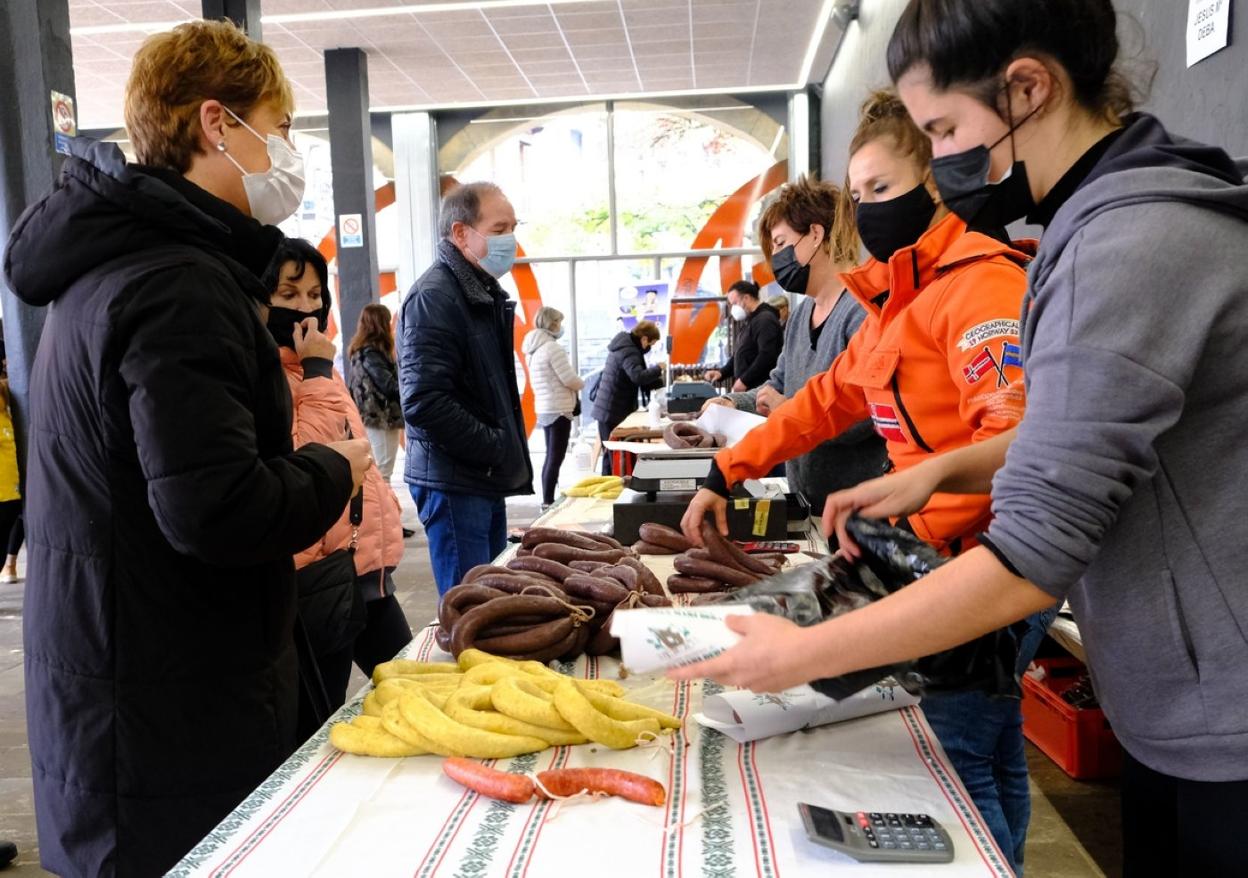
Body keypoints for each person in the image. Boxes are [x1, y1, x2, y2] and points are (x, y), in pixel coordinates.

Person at [675, 1, 1248, 875]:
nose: (941, 158)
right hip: (1180, 698)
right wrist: (938, 470)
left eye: (943, 128)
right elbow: (1067, 431)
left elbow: (1033, 548)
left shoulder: (1126, 245)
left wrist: (804, 652)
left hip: (1219, 712)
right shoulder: (1089, 231)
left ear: (1028, 87)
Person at [1, 20, 372, 876]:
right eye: (276, 126)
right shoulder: (178, 283)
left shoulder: (110, 266)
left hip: (127, 693)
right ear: (218, 125)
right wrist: (330, 469)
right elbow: (215, 510)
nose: (285, 150)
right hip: (169, 718)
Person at [681, 91, 1046, 874]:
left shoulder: (981, 287)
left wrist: (912, 530)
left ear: (936, 184)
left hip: (978, 567)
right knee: (988, 745)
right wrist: (726, 467)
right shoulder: (896, 300)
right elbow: (823, 400)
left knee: (961, 759)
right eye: (860, 194)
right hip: (918, 554)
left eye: (882, 189)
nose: (867, 209)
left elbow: (1019, 442)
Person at [264, 239, 410, 709]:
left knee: (413, 693)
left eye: (314, 295)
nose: (306, 308)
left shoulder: (316, 369)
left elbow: (356, 453)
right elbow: (307, 459)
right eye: (289, 296)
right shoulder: (274, 375)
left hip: (365, 568)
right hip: (319, 578)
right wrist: (318, 372)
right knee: (317, 726)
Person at [704, 176, 887, 514]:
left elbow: (868, 415)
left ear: (816, 235)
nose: (776, 258)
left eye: (780, 242)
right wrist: (734, 401)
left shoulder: (863, 311)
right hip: (808, 501)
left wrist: (786, 407)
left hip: (859, 509)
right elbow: (777, 383)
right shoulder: (802, 314)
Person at [399, 182, 533, 597]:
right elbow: (424, 401)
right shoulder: (436, 297)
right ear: (461, 233)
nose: (510, 239)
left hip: (478, 475)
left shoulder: (477, 292)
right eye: (499, 228)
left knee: (489, 598)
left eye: (513, 226)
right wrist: (494, 446)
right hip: (457, 480)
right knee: (469, 605)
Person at [522, 306, 584, 509]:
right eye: (559, 321)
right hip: (559, 408)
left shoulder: (534, 348)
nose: (561, 326)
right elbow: (568, 378)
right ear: (552, 323)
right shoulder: (552, 348)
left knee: (551, 455)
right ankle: (548, 501)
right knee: (555, 457)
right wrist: (580, 383)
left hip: (545, 406)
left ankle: (548, 498)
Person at [591, 321, 664, 475]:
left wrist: (657, 382)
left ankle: (608, 487)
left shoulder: (626, 346)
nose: (651, 347)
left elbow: (635, 376)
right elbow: (637, 376)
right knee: (613, 451)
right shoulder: (630, 351)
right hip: (612, 409)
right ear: (644, 339)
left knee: (609, 451)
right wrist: (658, 369)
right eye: (652, 342)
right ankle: (613, 488)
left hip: (609, 407)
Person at [348, 303, 404, 482]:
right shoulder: (372, 354)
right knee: (382, 474)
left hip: (368, 418)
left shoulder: (360, 352)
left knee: (375, 471)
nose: (391, 326)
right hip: (381, 419)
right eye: (388, 321)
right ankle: (382, 510)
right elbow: (390, 387)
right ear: (380, 324)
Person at [703, 280, 782, 392]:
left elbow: (767, 356)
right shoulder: (750, 321)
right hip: (750, 388)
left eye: (735, 303)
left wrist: (745, 380)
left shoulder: (765, 319)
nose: (733, 309)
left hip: (760, 390)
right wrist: (722, 373)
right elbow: (740, 354)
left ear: (746, 298)